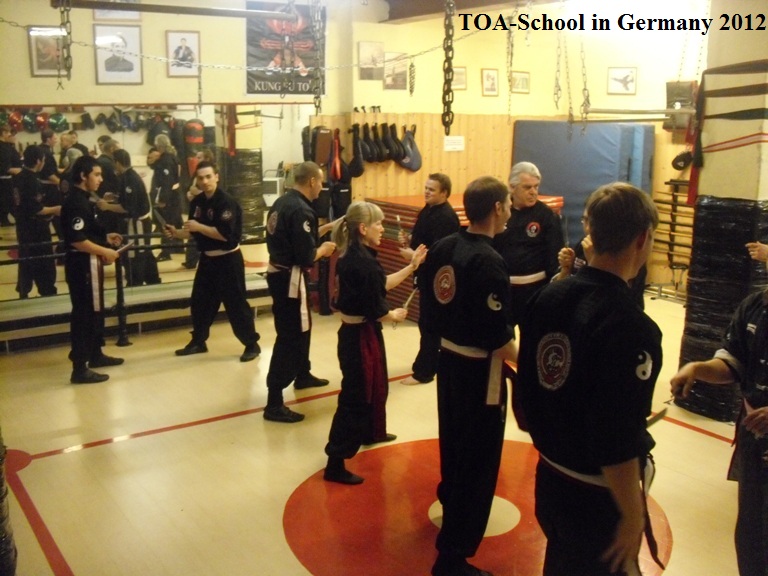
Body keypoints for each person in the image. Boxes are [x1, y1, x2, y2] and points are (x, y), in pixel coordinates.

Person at [517, 182, 662, 576]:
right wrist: (632, 512)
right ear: (642, 238)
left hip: (549, 480)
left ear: (589, 233)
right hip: (598, 497)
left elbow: (527, 393)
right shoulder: (632, 328)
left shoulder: (546, 298)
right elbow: (615, 437)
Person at [419, 176, 516, 576]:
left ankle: (451, 500)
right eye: (508, 203)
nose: (510, 210)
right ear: (496, 208)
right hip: (479, 372)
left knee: (454, 442)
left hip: (449, 363)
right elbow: (498, 339)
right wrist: (533, 369)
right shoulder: (488, 261)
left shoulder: (445, 247)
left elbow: (429, 303)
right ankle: (453, 557)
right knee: (478, 460)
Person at [669, 241, 768, 576]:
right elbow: (732, 363)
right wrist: (698, 369)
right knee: (752, 534)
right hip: (755, 443)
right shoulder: (753, 307)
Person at [324, 202, 427, 485]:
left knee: (376, 385)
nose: (382, 229)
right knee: (356, 397)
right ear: (363, 228)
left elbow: (380, 284)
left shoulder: (356, 256)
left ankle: (371, 432)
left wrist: (411, 267)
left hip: (358, 333)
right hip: (359, 337)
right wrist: (392, 315)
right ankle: (335, 462)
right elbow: (376, 306)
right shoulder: (362, 262)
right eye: (378, 224)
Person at [164, 161, 260, 362]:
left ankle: (251, 344)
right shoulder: (198, 202)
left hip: (228, 260)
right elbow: (193, 231)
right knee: (200, 302)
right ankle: (199, 341)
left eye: (209, 177)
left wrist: (198, 227)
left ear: (217, 177)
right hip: (208, 260)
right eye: (201, 178)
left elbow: (225, 235)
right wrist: (177, 233)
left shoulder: (226, 202)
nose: (205, 181)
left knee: (235, 304)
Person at [263, 161, 336, 423]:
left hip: (280, 273)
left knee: (303, 326)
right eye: (321, 182)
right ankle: (274, 401)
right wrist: (323, 250)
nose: (322, 187)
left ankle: (302, 373)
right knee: (291, 334)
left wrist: (325, 228)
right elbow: (305, 255)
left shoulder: (282, 202)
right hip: (289, 279)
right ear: (312, 181)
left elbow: (294, 239)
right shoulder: (302, 210)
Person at [62, 156, 124, 384]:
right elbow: (77, 239)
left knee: (95, 310)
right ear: (83, 176)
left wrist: (105, 238)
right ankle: (79, 367)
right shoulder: (75, 202)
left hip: (89, 263)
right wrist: (104, 251)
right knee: (84, 313)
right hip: (81, 266)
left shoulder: (85, 200)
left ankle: (95, 353)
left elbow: (87, 232)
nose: (100, 179)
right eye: (96, 174)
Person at [398, 173, 460, 386]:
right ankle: (429, 363)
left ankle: (424, 372)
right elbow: (424, 239)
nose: (426, 192)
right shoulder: (428, 210)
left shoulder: (447, 218)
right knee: (426, 323)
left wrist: (413, 256)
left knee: (429, 324)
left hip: (437, 279)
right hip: (425, 275)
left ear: (444, 193)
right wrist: (410, 240)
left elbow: (442, 252)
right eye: (426, 188)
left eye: (431, 189)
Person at [493, 161, 563, 331]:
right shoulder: (500, 212)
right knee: (500, 337)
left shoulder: (546, 216)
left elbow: (554, 257)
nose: (533, 192)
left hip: (534, 291)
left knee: (533, 338)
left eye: (536, 186)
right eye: (527, 187)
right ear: (512, 187)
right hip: (504, 290)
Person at [556, 205, 648, 309]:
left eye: (593, 222)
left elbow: (622, 305)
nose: (588, 228)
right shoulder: (583, 245)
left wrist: (595, 264)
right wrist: (565, 269)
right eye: (585, 220)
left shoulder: (624, 255)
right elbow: (560, 293)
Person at [13, 145, 59, 299]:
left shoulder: (18, 177)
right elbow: (37, 209)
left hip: (22, 226)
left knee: (25, 259)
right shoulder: (32, 181)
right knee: (44, 261)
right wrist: (56, 209)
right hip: (36, 229)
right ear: (38, 161)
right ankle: (47, 290)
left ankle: (23, 290)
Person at [113, 149, 160, 286]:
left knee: (136, 254)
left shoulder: (130, 178)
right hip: (138, 222)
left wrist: (107, 207)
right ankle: (152, 280)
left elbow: (128, 207)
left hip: (137, 224)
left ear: (117, 162)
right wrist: (114, 197)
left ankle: (135, 282)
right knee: (144, 252)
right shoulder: (128, 176)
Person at [182, 147, 215, 270]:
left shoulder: (213, 173)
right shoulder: (196, 172)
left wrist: (197, 192)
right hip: (196, 207)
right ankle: (190, 260)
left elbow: (209, 191)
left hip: (207, 210)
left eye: (199, 157)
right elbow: (191, 187)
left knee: (201, 233)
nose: (197, 159)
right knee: (193, 232)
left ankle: (195, 259)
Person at [151, 133, 182, 261]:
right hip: (175, 196)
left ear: (159, 146)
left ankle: (166, 252)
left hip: (169, 198)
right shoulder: (173, 157)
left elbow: (166, 181)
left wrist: (163, 199)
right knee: (176, 221)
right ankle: (178, 246)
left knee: (166, 223)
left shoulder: (166, 160)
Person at [0, 123, 22, 227]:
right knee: (9, 201)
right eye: (8, 132)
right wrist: (19, 171)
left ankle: (5, 220)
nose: (10, 134)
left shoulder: (6, 146)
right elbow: (5, 167)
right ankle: (20, 219)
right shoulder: (2, 147)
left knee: (7, 201)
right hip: (4, 179)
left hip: (7, 178)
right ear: (3, 133)